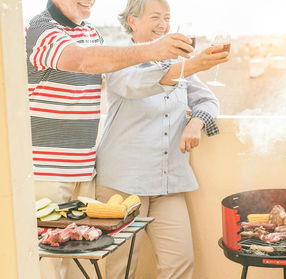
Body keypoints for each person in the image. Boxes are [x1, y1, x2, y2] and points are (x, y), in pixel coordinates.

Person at [25, 1, 193, 278]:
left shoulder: (91, 33)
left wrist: (175, 102)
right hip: (47, 172)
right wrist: (156, 48)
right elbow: (83, 60)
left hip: (85, 171)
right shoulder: (41, 29)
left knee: (81, 269)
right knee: (52, 269)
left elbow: (114, 71)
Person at [94, 0, 228, 278]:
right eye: (155, 17)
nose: (163, 24)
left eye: (167, 17)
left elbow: (208, 99)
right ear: (133, 21)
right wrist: (191, 66)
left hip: (169, 181)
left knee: (180, 264)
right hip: (124, 182)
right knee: (121, 269)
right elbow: (137, 86)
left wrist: (196, 122)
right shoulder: (119, 58)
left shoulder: (175, 62)